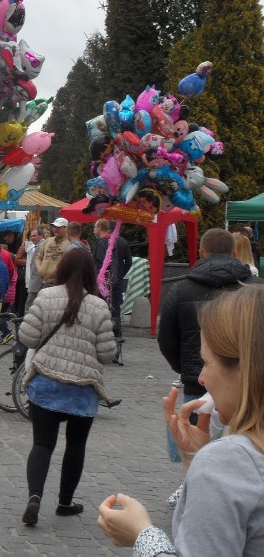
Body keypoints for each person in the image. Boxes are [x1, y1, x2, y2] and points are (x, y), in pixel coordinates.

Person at [98, 285, 264, 556]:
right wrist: (193, 458)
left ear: (244, 369)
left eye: (207, 363)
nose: (201, 378)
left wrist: (142, 536)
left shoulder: (230, 462)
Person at [19, 247, 116, 526]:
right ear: (90, 272)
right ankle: (64, 501)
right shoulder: (98, 306)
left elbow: (27, 336)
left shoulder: (46, 296)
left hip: (46, 382)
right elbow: (107, 353)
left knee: (42, 444)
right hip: (83, 388)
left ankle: (34, 496)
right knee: (76, 445)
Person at [158, 228, 262, 462]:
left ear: (202, 252)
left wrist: (187, 367)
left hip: (197, 381)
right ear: (235, 253)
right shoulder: (257, 288)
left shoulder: (180, 289)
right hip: (249, 384)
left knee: (194, 451)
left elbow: (166, 338)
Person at [94, 219, 133, 346]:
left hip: (104, 282)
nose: (94, 230)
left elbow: (100, 263)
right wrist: (121, 274)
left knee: (103, 307)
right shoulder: (122, 241)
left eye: (95, 227)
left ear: (101, 227)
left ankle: (103, 335)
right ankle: (117, 334)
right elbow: (129, 262)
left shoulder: (101, 242)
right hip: (117, 281)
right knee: (115, 308)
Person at [36, 217, 71, 287]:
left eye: (59, 227)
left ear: (66, 229)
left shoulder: (70, 243)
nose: (55, 229)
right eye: (54, 227)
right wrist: (40, 269)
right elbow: (38, 257)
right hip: (44, 282)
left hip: (59, 283)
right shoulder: (48, 241)